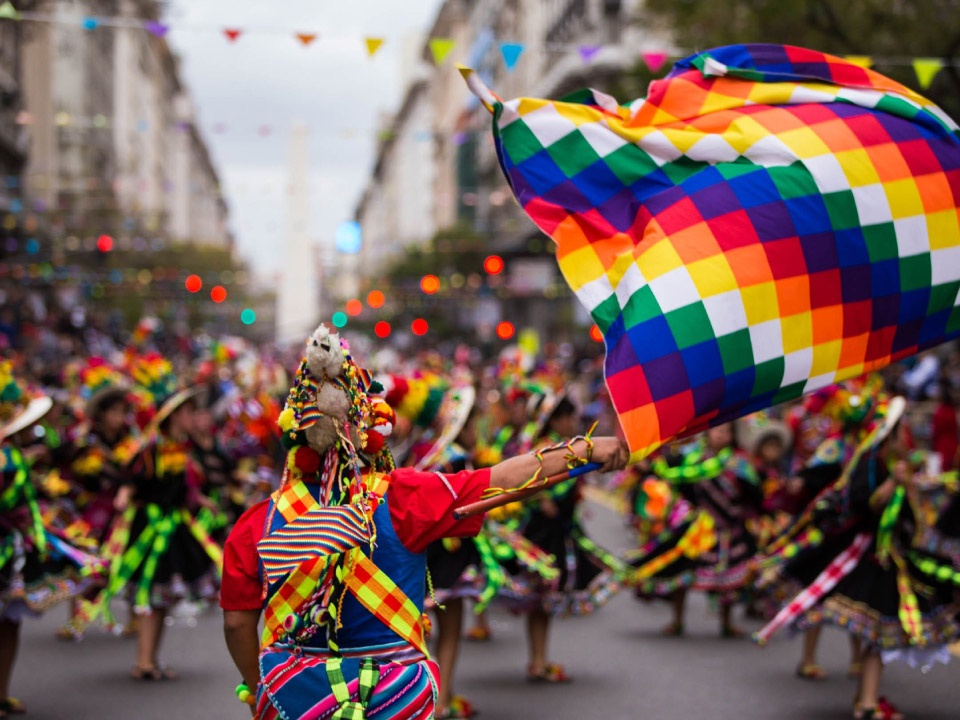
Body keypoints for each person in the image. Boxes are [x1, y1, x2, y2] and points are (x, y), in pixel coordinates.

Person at [219, 326, 629, 719]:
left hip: (295, 693)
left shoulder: (258, 521)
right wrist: (585, 449)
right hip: (392, 694)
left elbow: (238, 620)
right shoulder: (405, 496)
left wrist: (258, 688)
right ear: (367, 430)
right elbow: (503, 479)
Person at [755, 397, 960, 720]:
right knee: (874, 631)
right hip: (864, 555)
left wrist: (907, 484)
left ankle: (865, 696)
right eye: (897, 433)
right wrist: (896, 482)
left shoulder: (878, 462)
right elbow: (866, 503)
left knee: (872, 632)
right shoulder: (861, 461)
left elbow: (912, 520)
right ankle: (864, 702)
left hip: (883, 554)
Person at [0, 361, 103, 716]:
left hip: (15, 544)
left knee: (9, 622)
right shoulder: (10, 457)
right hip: (7, 544)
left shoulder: (17, 453)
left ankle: (2, 692)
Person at [627, 423, 763, 638]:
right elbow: (667, 472)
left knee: (728, 578)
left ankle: (726, 623)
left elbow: (755, 493)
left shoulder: (738, 463)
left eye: (726, 431)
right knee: (683, 573)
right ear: (708, 433)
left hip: (728, 529)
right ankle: (677, 620)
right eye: (718, 430)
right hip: (698, 528)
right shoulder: (692, 458)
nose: (721, 434)